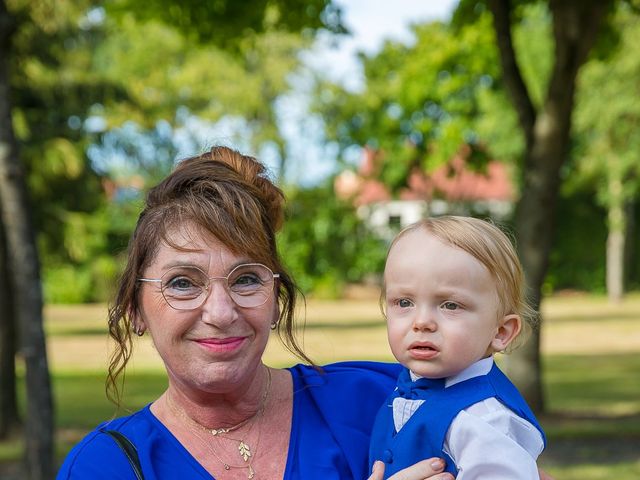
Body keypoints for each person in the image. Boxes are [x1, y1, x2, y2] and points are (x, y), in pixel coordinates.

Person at [57, 147, 551, 480]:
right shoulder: (107, 466)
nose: (221, 311)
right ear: (135, 309)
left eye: (246, 279)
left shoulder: (387, 400)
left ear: (276, 298)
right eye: (183, 283)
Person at [369, 216, 547, 479]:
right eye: (404, 302)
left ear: (500, 332)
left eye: (450, 305)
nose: (422, 322)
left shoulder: (484, 420)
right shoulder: (408, 384)